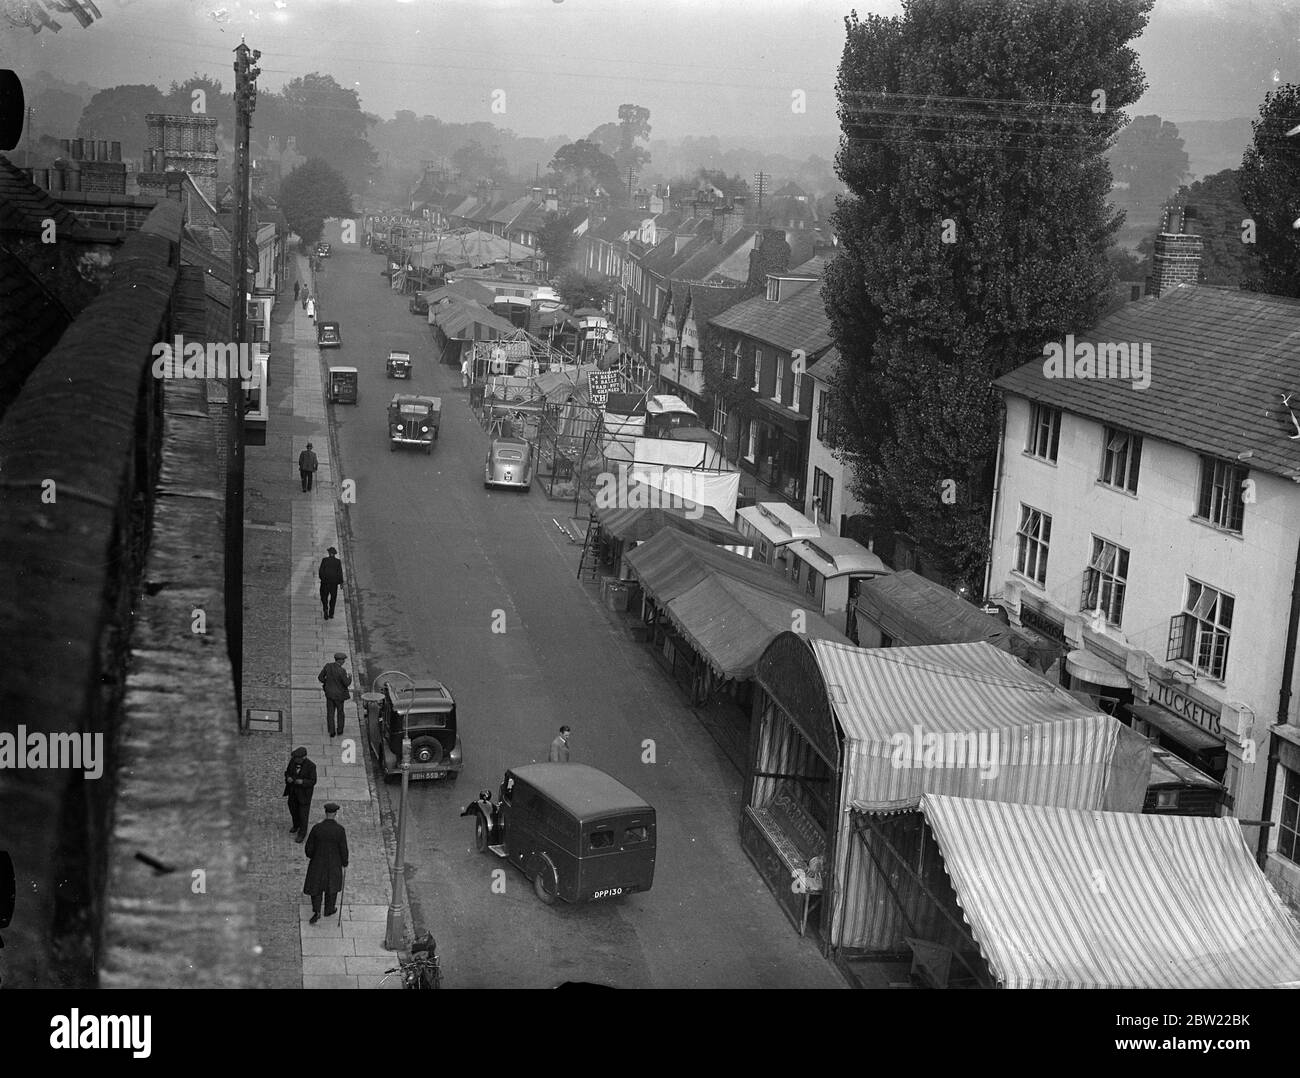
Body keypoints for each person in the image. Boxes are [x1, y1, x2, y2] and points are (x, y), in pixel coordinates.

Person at [303, 803, 348, 924]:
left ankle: (317, 910)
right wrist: (345, 862)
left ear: (326, 813)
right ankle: (329, 909)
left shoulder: (317, 828)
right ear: (335, 814)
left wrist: (313, 856)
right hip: (333, 863)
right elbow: (343, 848)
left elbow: (308, 849)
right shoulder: (340, 830)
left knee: (316, 886)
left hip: (317, 862)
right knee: (331, 886)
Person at [283, 747, 316, 843]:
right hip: (293, 792)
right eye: (294, 758)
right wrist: (288, 777)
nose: (295, 759)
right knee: (293, 809)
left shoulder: (311, 766)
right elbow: (287, 772)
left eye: (297, 758)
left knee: (303, 814)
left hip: (304, 795)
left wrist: (302, 782)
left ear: (303, 758)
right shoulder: (293, 762)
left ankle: (302, 833)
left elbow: (313, 781)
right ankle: (296, 825)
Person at [318, 652, 352, 738]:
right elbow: (346, 683)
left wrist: (327, 683)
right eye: (343, 660)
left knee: (330, 713)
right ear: (340, 661)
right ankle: (340, 730)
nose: (344, 661)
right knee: (340, 712)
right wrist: (350, 677)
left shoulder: (328, 666)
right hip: (339, 696)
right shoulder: (342, 671)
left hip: (329, 694)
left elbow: (320, 677)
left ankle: (331, 731)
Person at [318, 546, 344, 619]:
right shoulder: (338, 562)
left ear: (329, 553)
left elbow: (321, 571)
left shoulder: (324, 560)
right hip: (333, 584)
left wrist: (323, 579)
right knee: (333, 598)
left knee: (324, 597)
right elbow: (339, 573)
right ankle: (331, 613)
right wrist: (341, 582)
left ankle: (325, 609)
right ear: (334, 554)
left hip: (325, 583)